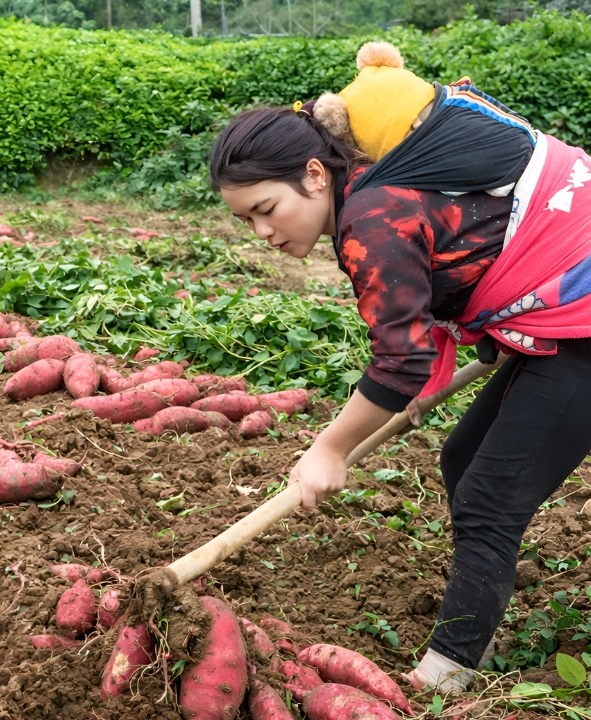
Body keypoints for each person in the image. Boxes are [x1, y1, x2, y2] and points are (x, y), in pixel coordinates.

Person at [208, 42, 591, 694]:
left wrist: (330, 447)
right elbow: (456, 266)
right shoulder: (376, 185)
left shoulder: (370, 220)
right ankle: (481, 614)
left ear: (314, 174)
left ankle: (444, 678)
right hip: (566, 317)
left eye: (266, 211)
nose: (262, 234)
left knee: (488, 501)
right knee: (461, 464)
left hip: (583, 329)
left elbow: (403, 359)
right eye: (246, 223)